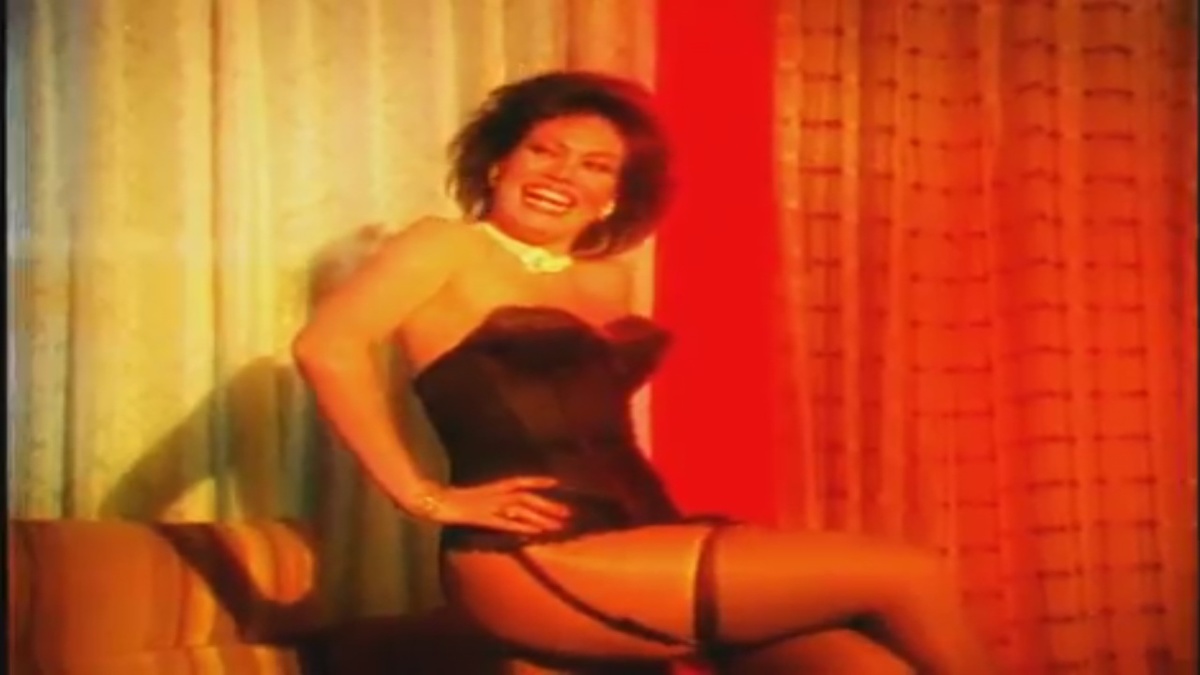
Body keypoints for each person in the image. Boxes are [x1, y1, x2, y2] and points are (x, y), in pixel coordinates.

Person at [293, 70, 994, 674]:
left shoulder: (609, 280)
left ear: (613, 196)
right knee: (908, 572)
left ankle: (376, 645)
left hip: (645, 534)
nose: (562, 175)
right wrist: (425, 497)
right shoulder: (443, 246)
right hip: (534, 554)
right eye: (544, 151)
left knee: (868, 666)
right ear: (499, 164)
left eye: (595, 166)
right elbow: (327, 347)